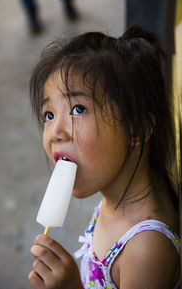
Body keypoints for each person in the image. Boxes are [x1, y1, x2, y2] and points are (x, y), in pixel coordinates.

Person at [28, 24, 181, 289]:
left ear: (137, 128)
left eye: (77, 109)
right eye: (49, 115)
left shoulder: (145, 251)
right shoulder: (121, 190)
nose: (55, 132)